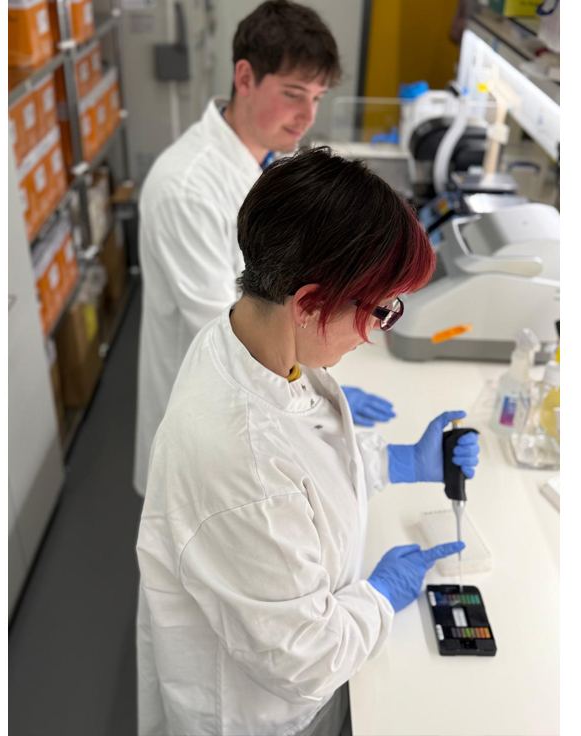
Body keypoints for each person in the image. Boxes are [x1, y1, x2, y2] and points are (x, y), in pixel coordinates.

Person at [136, 148, 480, 736]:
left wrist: (395, 461)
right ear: (308, 304)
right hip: (256, 713)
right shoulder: (239, 457)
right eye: (378, 310)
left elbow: (301, 462)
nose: (374, 333)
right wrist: (381, 596)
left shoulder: (247, 336)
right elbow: (305, 660)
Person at [133, 0, 395, 497]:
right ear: (245, 77)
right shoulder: (186, 187)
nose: (307, 115)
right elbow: (233, 331)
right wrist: (319, 391)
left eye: (318, 97)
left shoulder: (271, 160)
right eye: (294, 94)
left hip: (262, 399)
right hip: (211, 417)